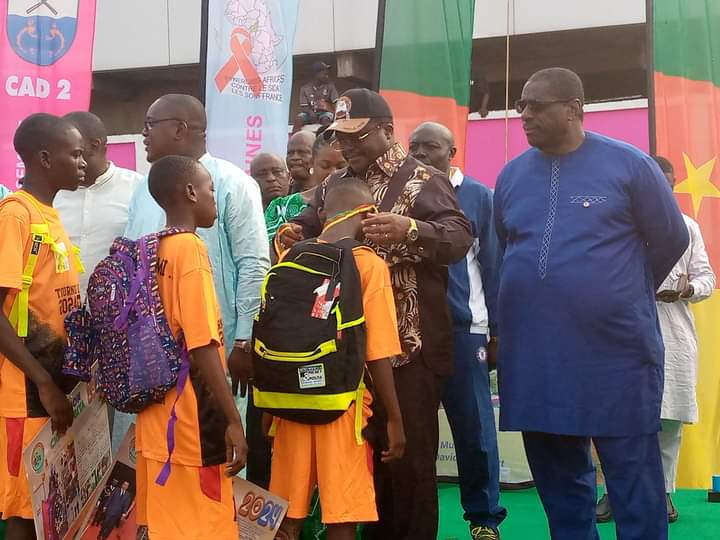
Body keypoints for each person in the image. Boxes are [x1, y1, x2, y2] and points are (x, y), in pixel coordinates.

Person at [494, 68, 689, 540]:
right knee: (557, 474)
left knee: (631, 473)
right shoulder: (512, 175)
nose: (525, 115)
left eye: (537, 105)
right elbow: (506, 248)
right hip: (537, 353)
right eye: (522, 105)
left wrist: (617, 293)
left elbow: (671, 238)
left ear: (574, 109)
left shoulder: (630, 166)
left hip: (615, 351)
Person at [274, 88, 472, 540]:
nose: (345, 146)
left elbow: (459, 237)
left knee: (410, 466)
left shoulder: (424, 179)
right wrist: (295, 231)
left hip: (408, 348)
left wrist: (411, 229)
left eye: (355, 136)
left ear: (386, 130)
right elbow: (314, 222)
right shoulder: (334, 183)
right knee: (364, 464)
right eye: (339, 137)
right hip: (344, 351)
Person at [122, 93, 269, 449]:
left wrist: (244, 340)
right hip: (149, 360)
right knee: (151, 454)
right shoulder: (144, 189)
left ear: (179, 129)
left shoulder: (232, 183)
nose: (143, 133)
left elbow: (253, 264)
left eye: (150, 125)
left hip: (213, 356)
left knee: (217, 454)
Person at [268, 178, 406, 540]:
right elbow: (378, 352)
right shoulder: (369, 265)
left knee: (286, 515)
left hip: (289, 403)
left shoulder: (292, 256)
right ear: (368, 214)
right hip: (343, 406)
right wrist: (394, 418)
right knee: (341, 515)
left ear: (323, 214)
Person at [596, 155, 716, 524]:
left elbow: (707, 278)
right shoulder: (618, 224)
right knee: (617, 417)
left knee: (668, 420)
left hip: (673, 333)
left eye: (669, 182)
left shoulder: (687, 227)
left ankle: (661, 493)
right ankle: (612, 492)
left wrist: (687, 290)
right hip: (622, 332)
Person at [135, 155, 247, 539]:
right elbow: (202, 345)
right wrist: (232, 419)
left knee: (167, 526)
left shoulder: (150, 249)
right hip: (191, 421)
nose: (214, 198)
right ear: (190, 192)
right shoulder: (190, 250)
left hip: (154, 417)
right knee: (207, 526)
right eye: (210, 189)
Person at [408, 122, 506, 540]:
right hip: (411, 331)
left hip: (465, 330)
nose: (420, 154)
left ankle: (484, 519)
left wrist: (497, 330)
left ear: (452, 153)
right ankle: (412, 521)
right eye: (414, 146)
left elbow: (494, 265)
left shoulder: (479, 196)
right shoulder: (403, 193)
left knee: (474, 429)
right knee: (414, 431)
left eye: (430, 147)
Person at [0, 113, 85, 540]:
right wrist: (44, 383)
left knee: (52, 506)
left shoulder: (49, 214)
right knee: (25, 509)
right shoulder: (16, 215)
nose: (83, 162)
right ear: (45, 158)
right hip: (27, 393)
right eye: (75, 154)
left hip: (56, 384)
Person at [264, 133, 347, 241]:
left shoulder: (363, 205)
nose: (333, 172)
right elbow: (265, 248)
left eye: (341, 167)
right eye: (325, 166)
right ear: (312, 163)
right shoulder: (280, 208)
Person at [294, 61, 339, 132]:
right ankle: (296, 138)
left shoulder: (330, 86)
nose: (327, 76)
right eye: (325, 74)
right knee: (298, 119)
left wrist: (333, 111)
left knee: (326, 120)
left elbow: (336, 103)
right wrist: (311, 113)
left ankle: (326, 138)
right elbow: (304, 106)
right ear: (316, 74)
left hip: (325, 113)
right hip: (309, 113)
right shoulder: (305, 88)